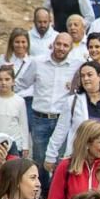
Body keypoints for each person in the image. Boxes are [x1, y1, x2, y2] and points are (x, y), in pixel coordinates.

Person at [45, 61, 100, 172]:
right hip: (80, 161)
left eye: (89, 75)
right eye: (83, 76)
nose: (86, 79)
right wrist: (50, 155)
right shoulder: (73, 101)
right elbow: (60, 130)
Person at [15, 33, 79, 168]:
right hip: (39, 119)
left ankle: (56, 189)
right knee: (39, 159)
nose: (61, 48)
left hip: (63, 120)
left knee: (60, 160)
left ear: (71, 48)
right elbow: (22, 83)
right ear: (53, 44)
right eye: (59, 44)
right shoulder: (38, 62)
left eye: (66, 45)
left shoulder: (77, 65)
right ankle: (42, 188)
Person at [0, 67, 31, 158]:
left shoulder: (19, 101)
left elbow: (23, 125)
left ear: (13, 81)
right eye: (0, 79)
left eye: (7, 79)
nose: (3, 83)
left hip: (15, 145)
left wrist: (25, 146)